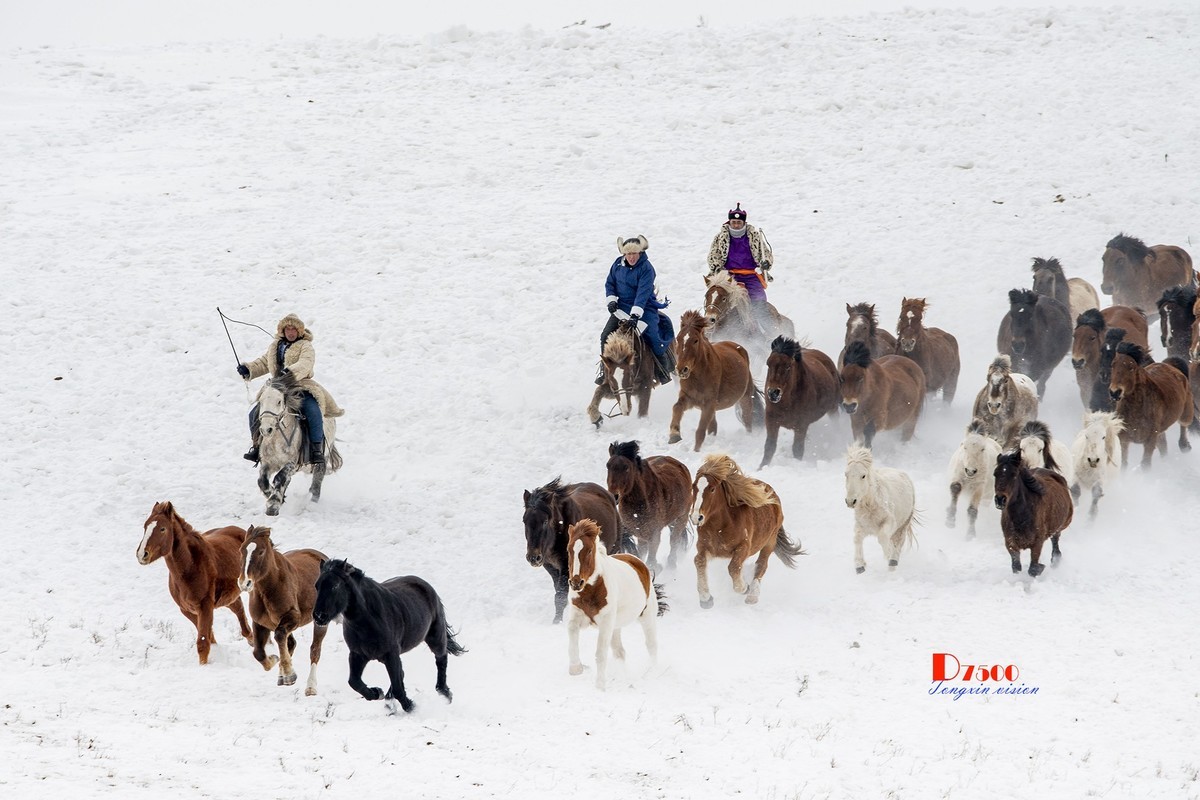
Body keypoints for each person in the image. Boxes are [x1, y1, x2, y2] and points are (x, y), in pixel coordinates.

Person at [236, 313, 342, 466]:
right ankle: (257, 446)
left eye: (294, 329)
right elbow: (264, 363)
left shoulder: (306, 346)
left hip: (300, 387)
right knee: (254, 414)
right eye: (288, 329)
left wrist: (290, 373)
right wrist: (249, 369)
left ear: (299, 331)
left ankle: (316, 449)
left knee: (313, 411)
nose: (291, 332)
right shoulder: (276, 346)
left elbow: (306, 363)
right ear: (283, 331)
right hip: (276, 389)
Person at [596, 235, 675, 385]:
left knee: (652, 336)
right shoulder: (617, 265)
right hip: (621, 309)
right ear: (624, 254)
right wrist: (611, 299)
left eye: (634, 254)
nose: (631, 257)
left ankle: (663, 368)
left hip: (644, 308)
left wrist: (635, 315)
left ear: (640, 253)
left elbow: (643, 293)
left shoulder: (647, 268)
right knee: (605, 335)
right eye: (628, 254)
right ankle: (604, 368)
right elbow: (610, 283)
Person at [706, 203, 774, 332]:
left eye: (739, 222)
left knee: (759, 299)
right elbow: (713, 255)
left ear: (744, 223)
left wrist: (766, 263)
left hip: (751, 275)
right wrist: (716, 268)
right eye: (734, 222)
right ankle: (710, 328)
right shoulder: (720, 237)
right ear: (729, 222)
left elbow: (765, 254)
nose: (736, 225)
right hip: (729, 276)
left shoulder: (754, 236)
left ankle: (768, 331)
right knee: (717, 298)